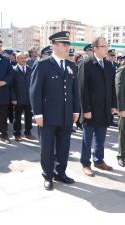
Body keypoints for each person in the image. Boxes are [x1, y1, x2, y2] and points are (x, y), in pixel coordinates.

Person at [30, 31, 79, 191]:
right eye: (64, 44)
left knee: (64, 146)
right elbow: (35, 91)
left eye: (68, 44)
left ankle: (60, 172)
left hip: (66, 115)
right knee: (47, 148)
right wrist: (37, 113)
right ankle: (48, 175)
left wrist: (76, 110)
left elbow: (75, 91)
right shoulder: (43, 65)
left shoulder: (72, 66)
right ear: (54, 46)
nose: (67, 47)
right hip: (48, 116)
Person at [78, 37, 117, 176]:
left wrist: (113, 105)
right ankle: (85, 163)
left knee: (101, 138)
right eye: (103, 46)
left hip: (105, 109)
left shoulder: (108, 65)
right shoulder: (86, 63)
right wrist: (86, 109)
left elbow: (112, 87)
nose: (106, 49)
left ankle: (99, 160)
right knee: (87, 139)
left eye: (107, 46)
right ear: (95, 48)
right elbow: (83, 89)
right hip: (91, 110)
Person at [11, 52, 36, 141]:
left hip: (29, 99)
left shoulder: (30, 69)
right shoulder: (13, 70)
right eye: (21, 58)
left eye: (24, 57)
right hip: (18, 99)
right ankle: (17, 134)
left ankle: (28, 133)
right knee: (17, 118)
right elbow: (11, 86)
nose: (23, 59)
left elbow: (33, 85)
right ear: (17, 59)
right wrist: (13, 98)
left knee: (28, 117)